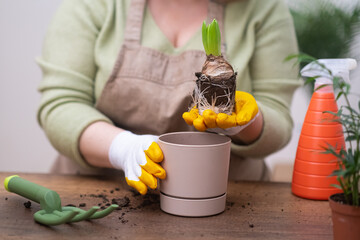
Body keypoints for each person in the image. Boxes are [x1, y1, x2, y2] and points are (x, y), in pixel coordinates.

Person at [37, 0, 300, 195]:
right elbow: (61, 103)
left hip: (228, 197)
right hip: (96, 192)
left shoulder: (264, 8)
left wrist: (245, 120)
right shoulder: (98, 5)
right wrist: (124, 149)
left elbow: (279, 118)